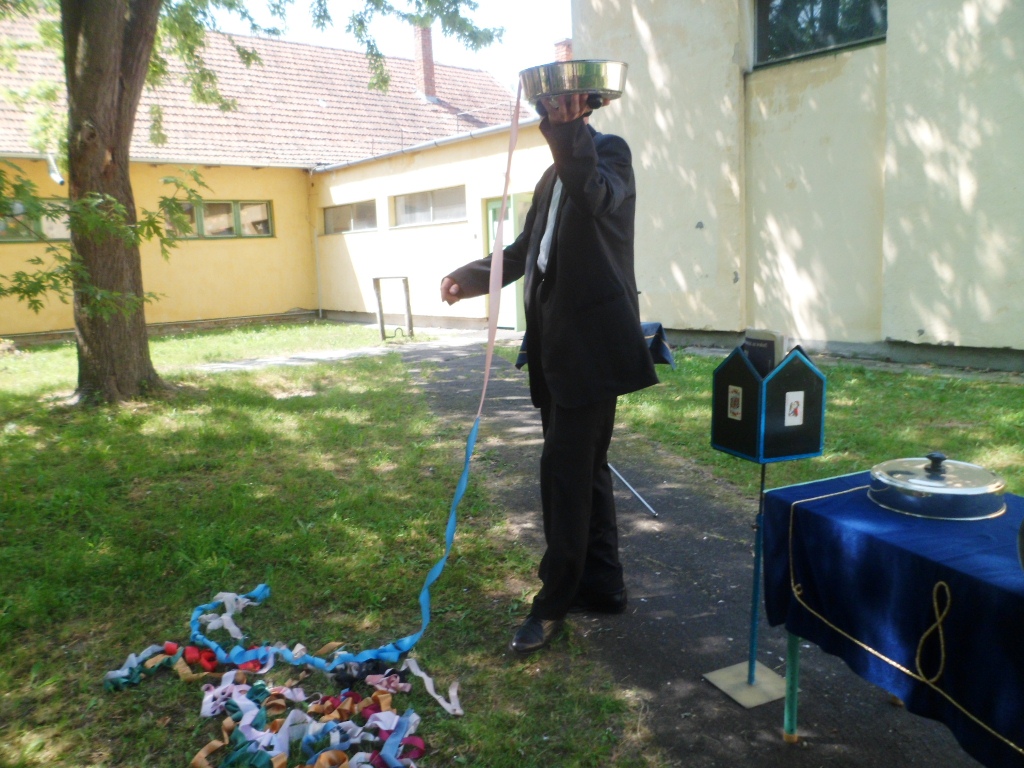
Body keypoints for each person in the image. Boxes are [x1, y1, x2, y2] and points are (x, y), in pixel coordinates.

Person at [439, 91, 658, 654]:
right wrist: (469, 277)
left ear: (584, 107)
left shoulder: (610, 156)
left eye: (563, 107)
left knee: (564, 475)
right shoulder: (549, 177)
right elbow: (523, 251)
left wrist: (569, 134)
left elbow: (594, 197)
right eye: (549, 108)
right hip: (555, 349)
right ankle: (604, 587)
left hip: (593, 351)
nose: (553, 116)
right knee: (585, 471)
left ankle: (553, 603)